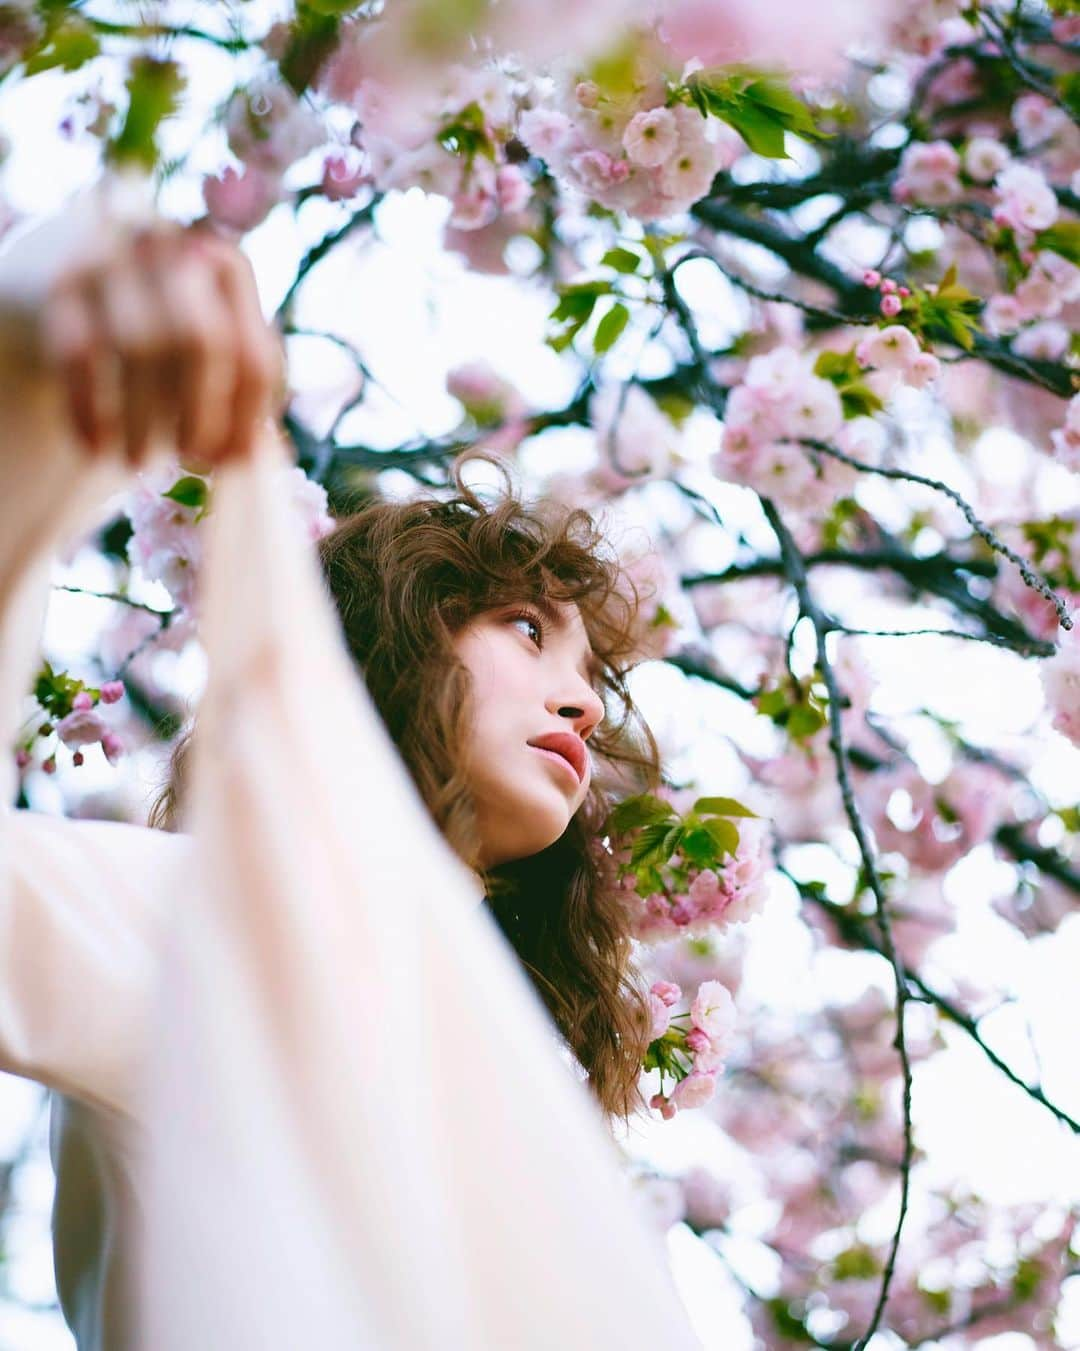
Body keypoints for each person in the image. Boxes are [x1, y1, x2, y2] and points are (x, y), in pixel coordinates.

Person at [0, 182, 703, 1348]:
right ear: (396, 640)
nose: (582, 696)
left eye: (593, 671)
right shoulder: (201, 928)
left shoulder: (520, 1087)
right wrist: (30, 410)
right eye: (526, 629)